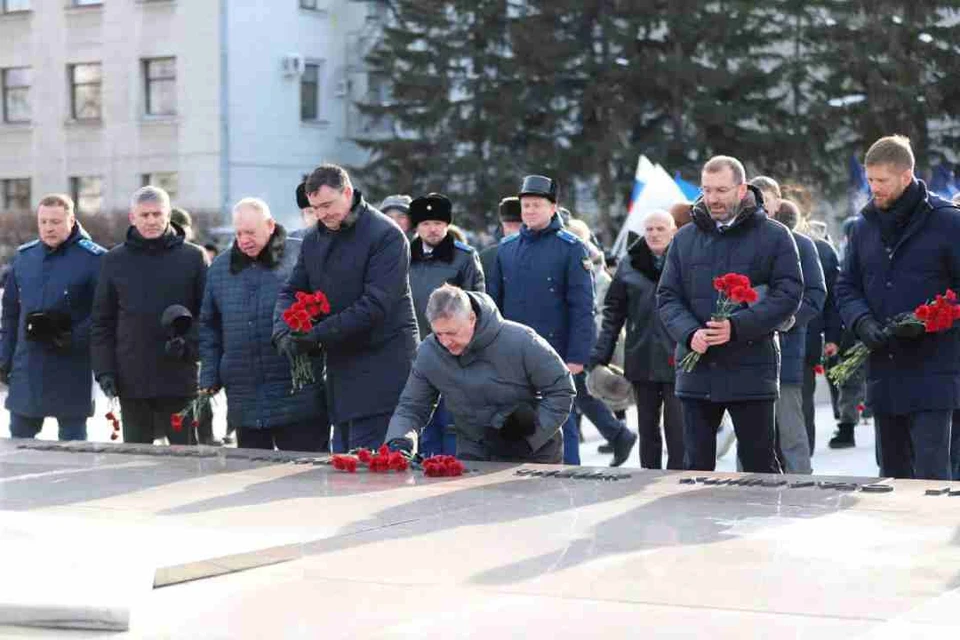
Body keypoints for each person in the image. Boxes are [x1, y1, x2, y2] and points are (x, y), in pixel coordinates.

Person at [658, 156, 802, 473]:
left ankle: (763, 522)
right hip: (697, 371)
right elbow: (667, 296)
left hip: (751, 369)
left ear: (740, 189)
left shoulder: (774, 235)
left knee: (758, 465)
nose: (712, 199)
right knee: (695, 468)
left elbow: (788, 294)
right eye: (706, 190)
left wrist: (736, 327)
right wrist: (689, 333)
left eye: (721, 190)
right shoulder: (684, 238)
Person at [836, 135, 960, 480]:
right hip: (884, 371)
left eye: (881, 181)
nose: (873, 188)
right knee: (891, 476)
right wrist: (861, 321)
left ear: (906, 177)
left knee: (933, 476)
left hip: (935, 371)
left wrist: (929, 322)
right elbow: (846, 286)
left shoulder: (948, 222)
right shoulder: (863, 228)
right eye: (870, 179)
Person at [273, 164, 419, 452]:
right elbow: (292, 289)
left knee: (370, 467)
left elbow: (375, 305)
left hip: (382, 367)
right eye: (316, 208)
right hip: (341, 370)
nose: (323, 214)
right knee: (343, 462)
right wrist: (283, 331)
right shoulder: (314, 238)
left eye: (328, 204)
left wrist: (316, 335)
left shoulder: (385, 235)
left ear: (348, 192)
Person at [488, 175, 618, 466]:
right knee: (514, 419)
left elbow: (582, 307)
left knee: (561, 421)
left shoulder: (571, 247)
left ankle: (568, 474)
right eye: (526, 205)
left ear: (553, 207)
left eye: (537, 205)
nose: (530, 211)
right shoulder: (506, 248)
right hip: (512, 353)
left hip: (556, 352)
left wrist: (577, 356)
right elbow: (494, 304)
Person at [385, 285, 574, 462]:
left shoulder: (521, 341)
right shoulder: (430, 353)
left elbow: (562, 389)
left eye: (452, 333)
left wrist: (529, 439)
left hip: (534, 452)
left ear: (472, 318)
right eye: (439, 334)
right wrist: (400, 440)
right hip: (475, 452)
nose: (445, 342)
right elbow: (412, 407)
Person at [200, 198, 329, 451]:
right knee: (251, 476)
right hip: (244, 398)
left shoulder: (302, 255)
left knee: (304, 476)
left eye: (250, 232)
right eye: (238, 233)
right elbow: (209, 326)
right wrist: (210, 374)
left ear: (270, 225)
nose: (243, 240)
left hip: (297, 395)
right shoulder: (220, 269)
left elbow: (326, 306)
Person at [91, 186, 207, 445]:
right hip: (132, 378)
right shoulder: (114, 260)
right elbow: (102, 321)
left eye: (157, 214)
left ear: (168, 216)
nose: (152, 221)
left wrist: (189, 345)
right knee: (136, 459)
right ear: (133, 218)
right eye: (145, 215)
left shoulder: (193, 257)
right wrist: (104, 370)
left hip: (179, 376)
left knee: (184, 458)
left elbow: (207, 315)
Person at [0, 194, 105, 441]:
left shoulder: (94, 259)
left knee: (73, 444)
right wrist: (4, 357)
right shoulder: (25, 257)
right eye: (43, 221)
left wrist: (73, 337)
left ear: (71, 220)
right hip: (28, 364)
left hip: (71, 364)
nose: (48, 228)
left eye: (56, 222)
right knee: (18, 443)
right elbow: (11, 314)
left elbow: (103, 312)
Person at [592, 210, 682, 469]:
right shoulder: (629, 263)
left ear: (673, 231)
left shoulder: (685, 260)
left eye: (660, 229)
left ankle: (677, 478)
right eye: (649, 229)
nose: (654, 234)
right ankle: (649, 475)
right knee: (647, 427)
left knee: (678, 429)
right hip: (642, 356)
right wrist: (601, 356)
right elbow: (613, 313)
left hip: (679, 356)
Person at [407, 193, 485, 456]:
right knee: (422, 416)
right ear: (416, 226)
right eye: (427, 223)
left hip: (455, 349)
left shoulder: (464, 257)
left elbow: (480, 302)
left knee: (453, 418)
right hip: (416, 348)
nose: (433, 229)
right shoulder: (404, 256)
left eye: (439, 223)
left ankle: (454, 466)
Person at [566, 217, 638, 466]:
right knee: (580, 393)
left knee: (583, 392)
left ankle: (619, 434)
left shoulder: (594, 272)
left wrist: (594, 347)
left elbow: (600, 312)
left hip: (588, 340)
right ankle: (619, 434)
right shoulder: (587, 267)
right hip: (581, 338)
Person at [765, 197, 826, 474]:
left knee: (791, 430)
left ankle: (801, 487)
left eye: (766, 202)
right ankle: (747, 493)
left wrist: (785, 319)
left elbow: (816, 295)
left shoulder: (803, 245)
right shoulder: (745, 244)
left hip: (787, 352)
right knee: (753, 436)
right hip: (745, 354)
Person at [170, 205, 218, 445]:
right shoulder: (191, 255)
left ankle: (206, 436)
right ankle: (206, 437)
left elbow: (207, 304)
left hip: (191, 337)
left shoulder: (193, 256)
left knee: (200, 392)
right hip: (188, 336)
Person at [479, 197, 522, 279]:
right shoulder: (487, 257)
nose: (514, 230)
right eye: (509, 226)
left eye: (518, 225)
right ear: (502, 227)